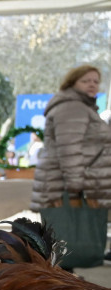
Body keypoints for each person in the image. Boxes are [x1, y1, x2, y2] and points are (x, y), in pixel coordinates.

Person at [30, 65, 110, 266]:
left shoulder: (81, 107)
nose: (92, 84)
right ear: (72, 83)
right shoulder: (72, 107)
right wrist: (76, 186)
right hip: (66, 187)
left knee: (66, 241)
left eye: (95, 81)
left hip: (68, 184)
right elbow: (70, 149)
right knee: (67, 240)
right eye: (86, 80)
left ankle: (63, 288)